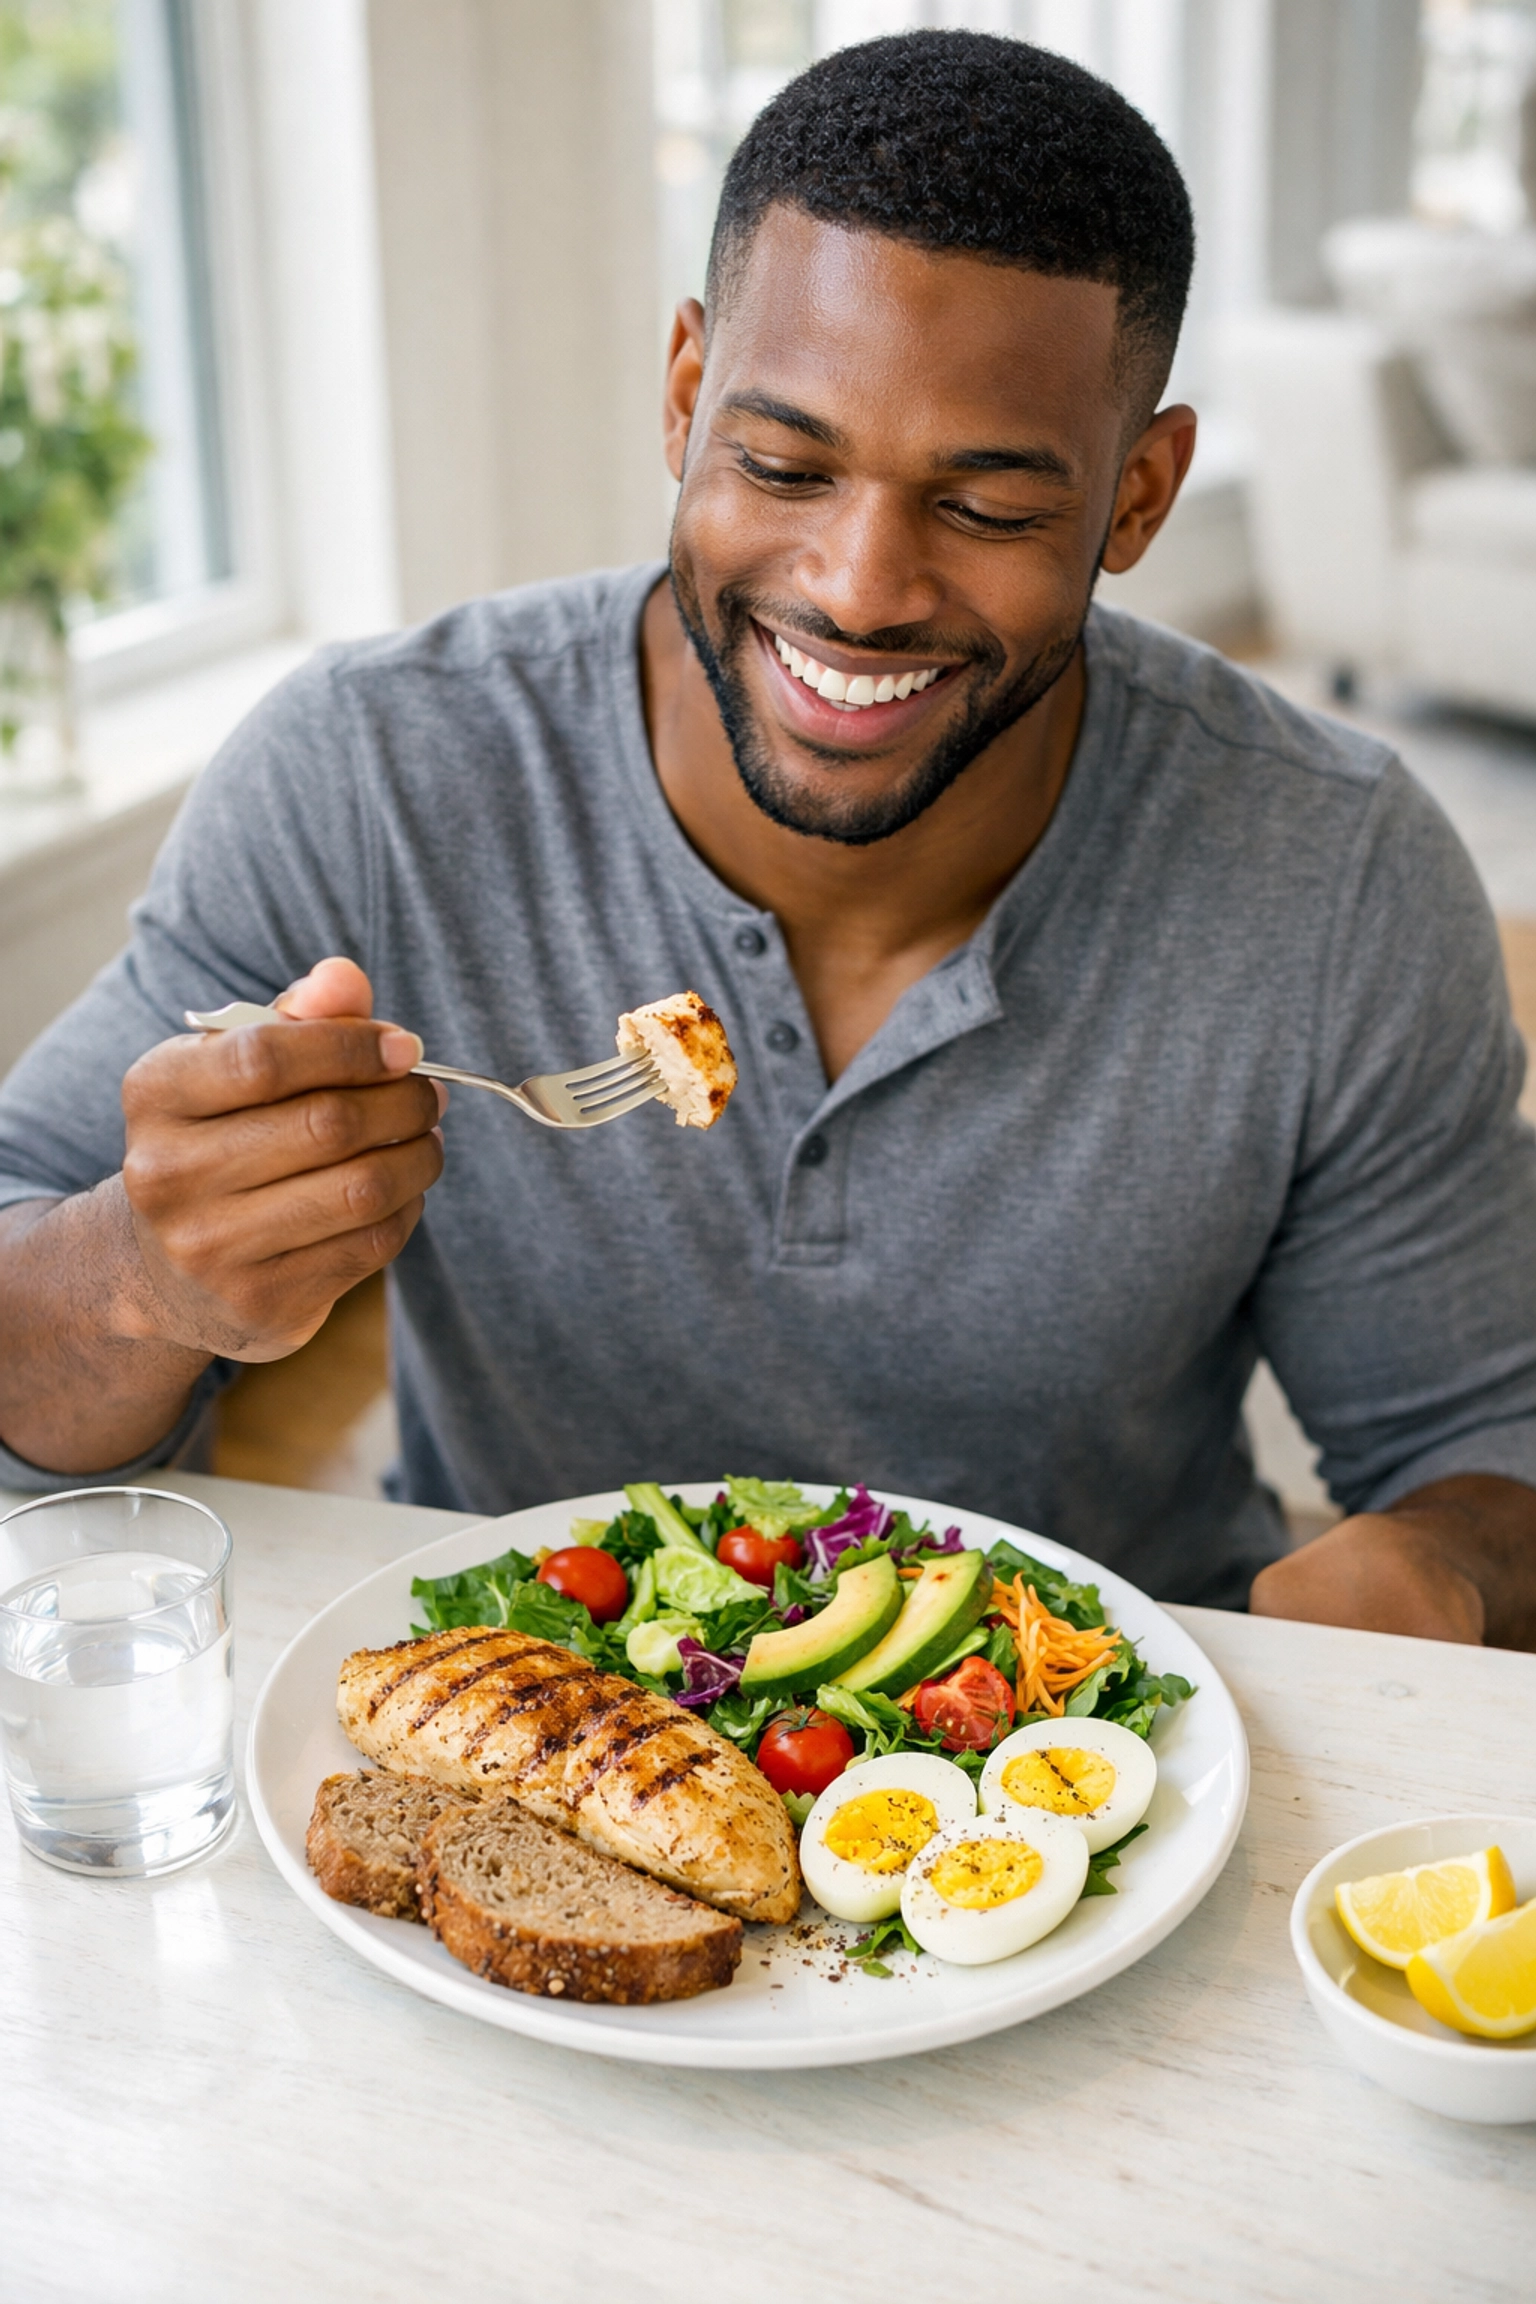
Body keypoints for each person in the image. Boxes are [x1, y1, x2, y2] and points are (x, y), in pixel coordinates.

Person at [1, 32, 1533, 1645]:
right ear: (683, 396)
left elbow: (1483, 1447)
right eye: (785, 463)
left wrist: (1435, 1570)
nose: (860, 587)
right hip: (511, 1728)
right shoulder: (376, 773)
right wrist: (140, 1282)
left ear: (1140, 498)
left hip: (1085, 1795)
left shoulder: (1337, 874)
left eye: (991, 508)